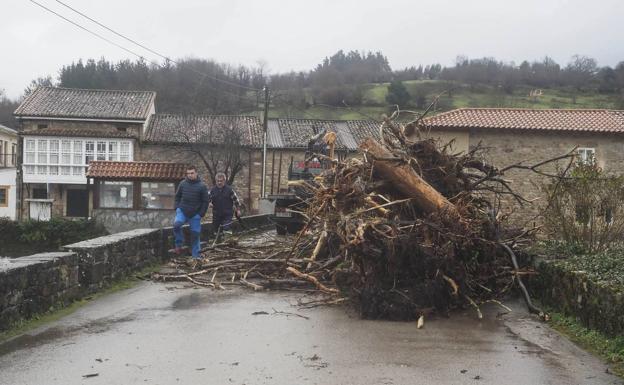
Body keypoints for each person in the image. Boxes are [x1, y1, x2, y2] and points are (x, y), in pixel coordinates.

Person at [173, 165, 209, 260]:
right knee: (176, 225)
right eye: (188, 173)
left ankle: (196, 257)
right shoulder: (182, 184)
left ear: (196, 173)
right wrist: (177, 208)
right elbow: (177, 197)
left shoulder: (202, 186)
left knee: (195, 234)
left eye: (192, 173)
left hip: (195, 214)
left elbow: (205, 202)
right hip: (182, 211)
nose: (190, 175)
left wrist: (200, 214)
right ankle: (179, 244)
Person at [209, 172, 242, 241]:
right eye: (218, 181)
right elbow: (206, 199)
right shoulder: (212, 190)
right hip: (216, 214)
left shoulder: (229, 190)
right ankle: (217, 243)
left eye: (221, 181)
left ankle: (228, 242)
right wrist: (209, 203)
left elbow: (236, 201)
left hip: (227, 213)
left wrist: (238, 210)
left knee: (226, 227)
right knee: (216, 229)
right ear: (216, 181)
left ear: (224, 181)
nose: (219, 183)